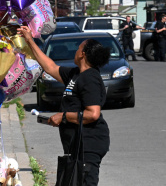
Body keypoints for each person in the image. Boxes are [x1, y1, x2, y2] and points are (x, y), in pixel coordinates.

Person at [18, 26, 111, 186]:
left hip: (88, 145)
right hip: (76, 145)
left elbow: (93, 114)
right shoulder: (76, 74)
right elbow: (50, 67)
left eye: (79, 47)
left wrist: (63, 116)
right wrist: (29, 40)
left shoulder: (90, 79)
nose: (76, 50)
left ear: (83, 54)